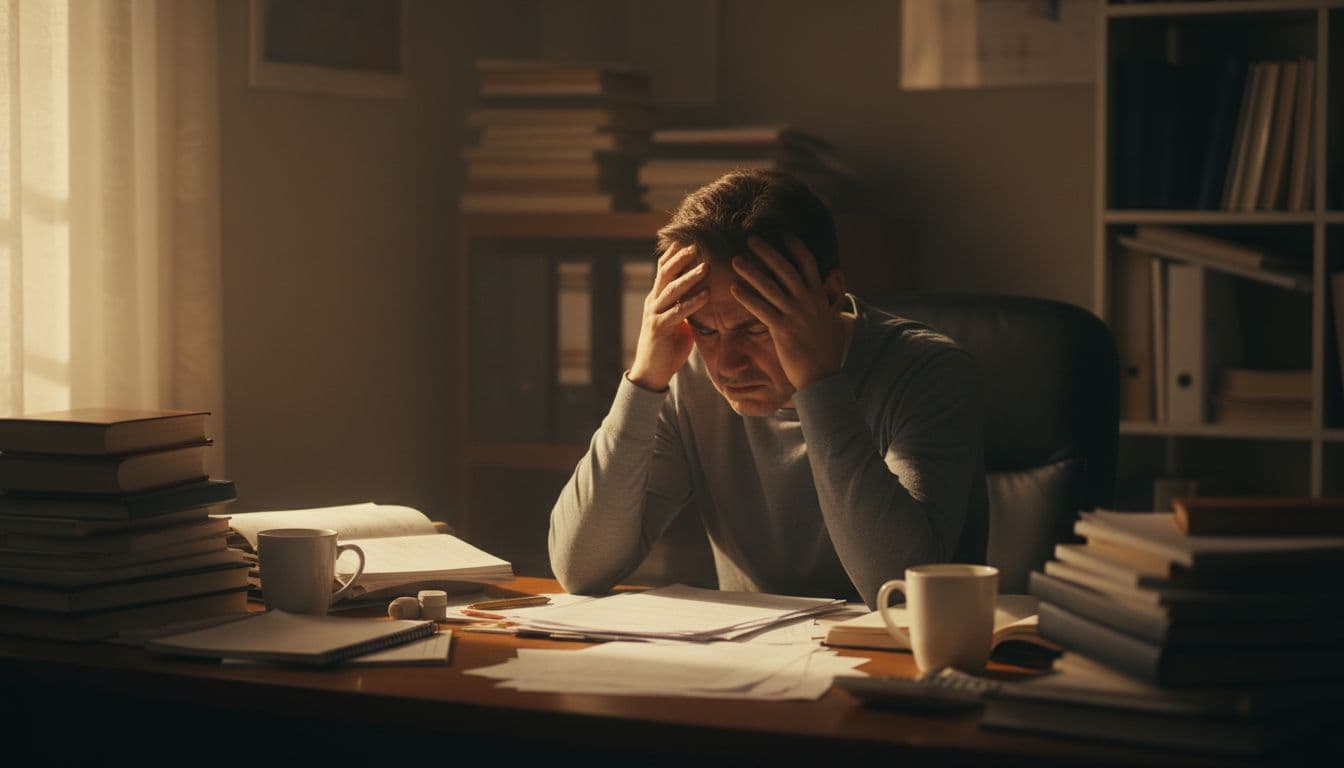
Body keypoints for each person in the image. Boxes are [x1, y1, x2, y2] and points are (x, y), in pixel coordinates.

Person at [548, 170, 988, 607]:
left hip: (892, 665)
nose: (728, 364)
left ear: (829, 297)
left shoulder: (930, 373)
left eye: (757, 327)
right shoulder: (688, 375)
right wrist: (644, 380)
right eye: (707, 331)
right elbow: (580, 568)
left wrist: (817, 384)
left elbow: (900, 592)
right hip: (750, 663)